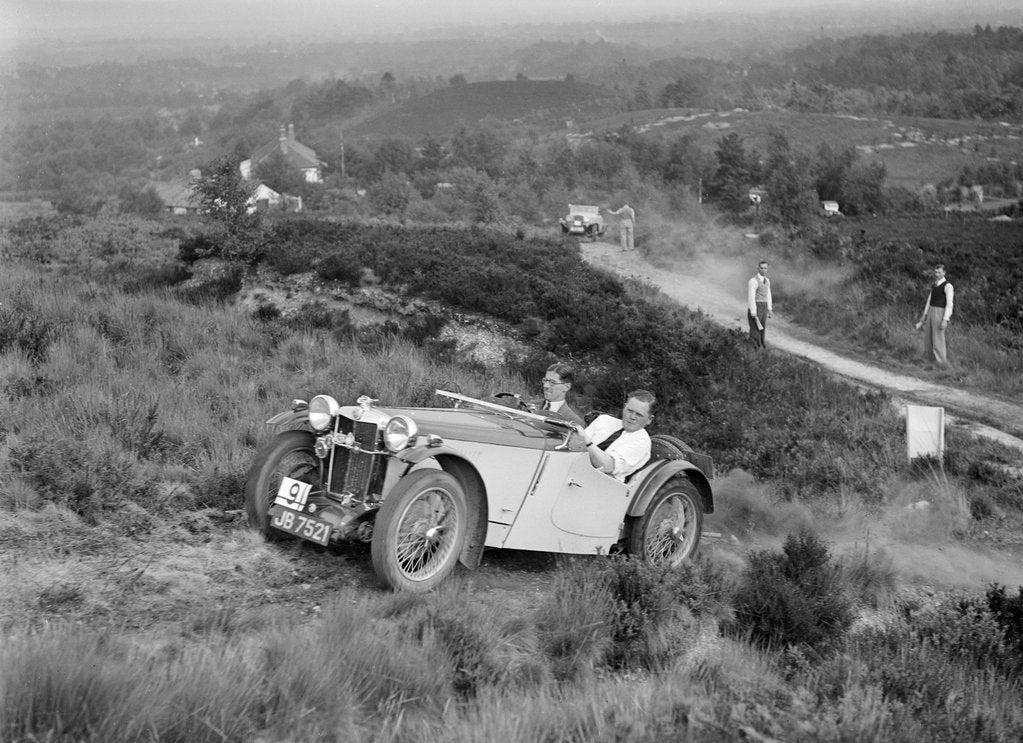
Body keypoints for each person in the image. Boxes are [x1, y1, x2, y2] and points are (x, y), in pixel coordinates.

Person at [573, 390, 654, 482]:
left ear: (649, 419)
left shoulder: (641, 441)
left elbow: (607, 466)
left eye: (639, 414)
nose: (632, 417)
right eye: (629, 411)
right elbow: (575, 445)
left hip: (602, 484)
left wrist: (587, 441)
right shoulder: (604, 420)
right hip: (575, 469)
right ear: (624, 407)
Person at [914, 263, 954, 368]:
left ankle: (941, 363)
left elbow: (949, 304)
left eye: (939, 272)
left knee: (938, 338)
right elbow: (929, 300)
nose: (937, 274)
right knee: (928, 336)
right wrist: (924, 314)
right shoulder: (934, 284)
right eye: (935, 272)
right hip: (932, 310)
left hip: (940, 312)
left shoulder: (948, 286)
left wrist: (945, 319)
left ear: (944, 273)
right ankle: (930, 361)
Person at [530, 362, 585, 427]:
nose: (545, 385)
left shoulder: (574, 422)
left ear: (566, 387)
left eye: (552, 382)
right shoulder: (529, 405)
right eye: (545, 380)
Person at [746, 260, 773, 349]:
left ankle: (761, 344)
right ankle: (754, 346)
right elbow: (751, 297)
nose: (763, 270)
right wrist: (753, 311)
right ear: (758, 268)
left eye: (765, 268)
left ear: (767, 269)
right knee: (755, 327)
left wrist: (769, 308)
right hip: (756, 305)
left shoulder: (767, 280)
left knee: (762, 326)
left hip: (764, 305)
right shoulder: (753, 281)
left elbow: (768, 294)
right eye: (761, 268)